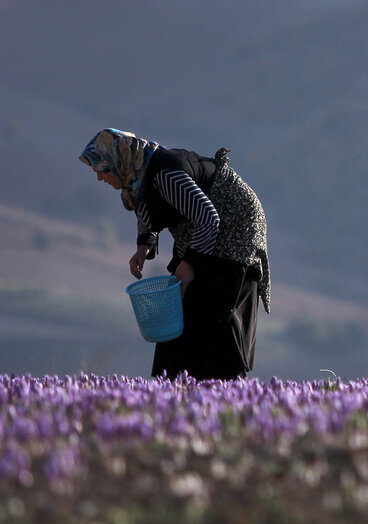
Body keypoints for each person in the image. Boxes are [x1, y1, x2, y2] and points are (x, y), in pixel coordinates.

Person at [80, 128, 271, 380]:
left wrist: (189, 263)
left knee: (212, 312)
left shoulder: (165, 175)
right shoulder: (138, 179)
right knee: (185, 314)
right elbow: (149, 211)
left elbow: (207, 217)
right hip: (203, 234)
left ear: (119, 163)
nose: (99, 177)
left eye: (102, 170)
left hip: (235, 231)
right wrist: (143, 245)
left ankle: (223, 388)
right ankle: (177, 387)